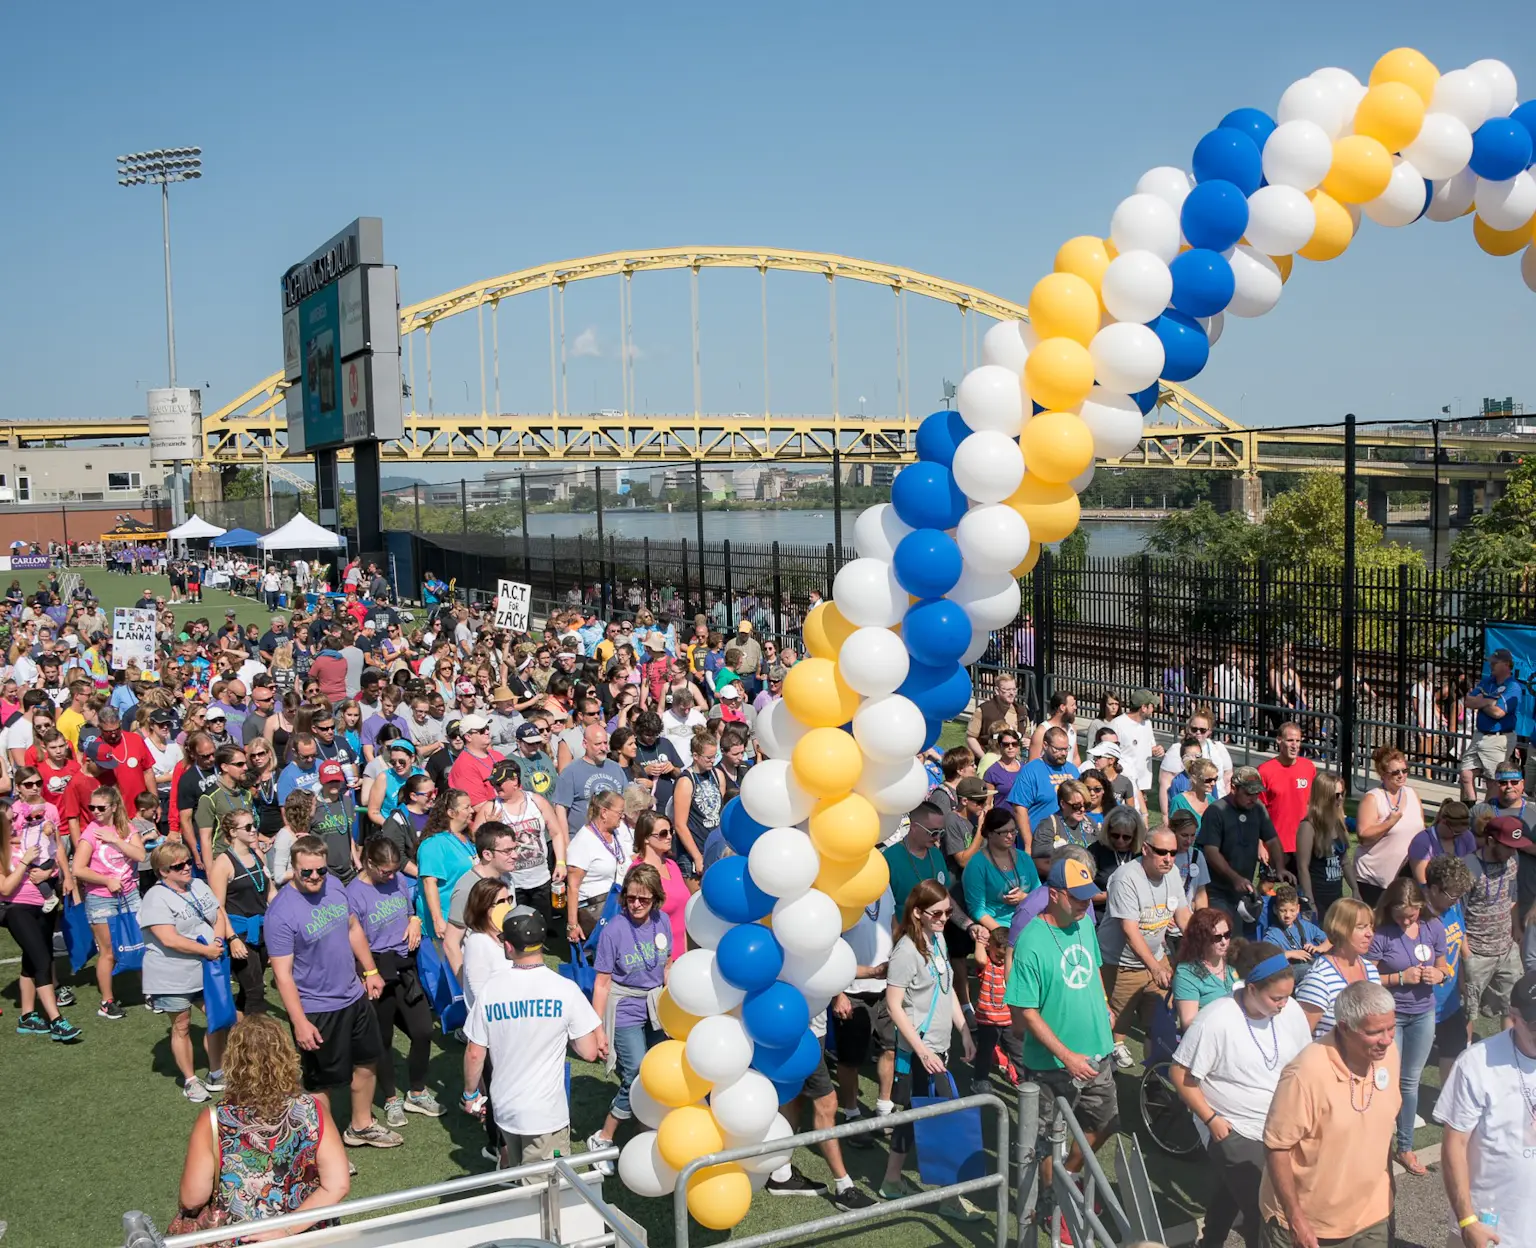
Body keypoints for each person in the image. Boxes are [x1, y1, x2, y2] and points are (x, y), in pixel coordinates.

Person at [264, 835, 403, 1149]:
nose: (315, 877)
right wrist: (299, 1022)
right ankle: (325, 1147)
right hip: (317, 1007)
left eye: (320, 871)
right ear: (294, 869)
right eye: (307, 872)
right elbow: (282, 975)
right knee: (320, 1084)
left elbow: (353, 928)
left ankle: (361, 1125)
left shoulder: (336, 886)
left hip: (354, 996)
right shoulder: (281, 913)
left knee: (368, 1061)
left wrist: (370, 970)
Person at [1170, 942, 1312, 1248]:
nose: (1283, 1004)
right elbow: (1180, 1075)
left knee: (1231, 1188)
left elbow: (1304, 1058)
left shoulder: (1290, 1009)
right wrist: (1212, 1120)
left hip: (1279, 1126)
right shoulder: (1216, 1019)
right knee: (1263, 1213)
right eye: (1276, 998)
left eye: (1288, 996)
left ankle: (1209, 1243)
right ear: (1251, 989)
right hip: (1235, 1129)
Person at [174, 1014, 350, 1238]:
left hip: (242, 1237)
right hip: (306, 1236)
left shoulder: (213, 1119)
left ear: (232, 1060)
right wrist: (286, 1229)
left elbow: (193, 1198)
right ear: (286, 1055)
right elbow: (338, 1185)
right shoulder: (312, 1109)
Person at [1006, 856, 1119, 1200]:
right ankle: (1050, 1199)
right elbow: (1026, 1012)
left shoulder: (1084, 923)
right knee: (1047, 1139)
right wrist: (1067, 1056)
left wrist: (1104, 1005)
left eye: (1088, 896)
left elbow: (1094, 968)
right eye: (1078, 897)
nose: (1086, 904)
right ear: (1054, 895)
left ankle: (1068, 1173)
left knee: (1105, 1121)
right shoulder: (1031, 942)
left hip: (1098, 1053)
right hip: (1052, 1066)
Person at [1259, 980, 1399, 1248]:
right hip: (1312, 1224)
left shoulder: (1389, 1055)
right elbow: (1277, 1148)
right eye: (1375, 1032)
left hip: (1372, 1214)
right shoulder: (1305, 1074)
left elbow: (1382, 1129)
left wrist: (1389, 1191)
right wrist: (1296, 1220)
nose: (1387, 1040)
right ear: (1345, 1028)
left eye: (1391, 1028)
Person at [463, 909, 606, 1169]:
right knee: (547, 1195)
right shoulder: (565, 990)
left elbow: (475, 1052)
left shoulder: (490, 990)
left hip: (505, 1111)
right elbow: (589, 1052)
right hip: (546, 1115)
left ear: (508, 946)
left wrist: (470, 1094)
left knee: (522, 1184)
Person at [878, 879, 981, 1222]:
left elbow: (946, 988)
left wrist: (963, 1029)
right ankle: (950, 1199)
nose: (944, 918)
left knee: (911, 1115)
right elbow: (893, 1005)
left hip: (937, 1049)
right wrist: (922, 1051)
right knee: (947, 1122)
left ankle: (892, 1180)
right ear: (918, 913)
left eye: (949, 912)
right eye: (937, 913)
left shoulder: (936, 939)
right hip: (923, 1053)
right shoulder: (906, 951)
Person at [346, 836, 442, 1129]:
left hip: (406, 965)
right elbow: (352, 938)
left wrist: (414, 921)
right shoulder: (353, 894)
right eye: (384, 872)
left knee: (423, 1031)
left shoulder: (398, 879)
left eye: (393, 870)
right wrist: (367, 972)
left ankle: (416, 1091)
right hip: (376, 967)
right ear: (369, 863)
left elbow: (410, 909)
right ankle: (390, 1099)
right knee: (383, 1038)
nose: (390, 876)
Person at [1435, 970, 1536, 1248]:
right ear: (1513, 1017)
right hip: (1494, 1230)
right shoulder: (1477, 1065)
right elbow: (1454, 1145)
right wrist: (1467, 1221)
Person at [585, 863, 672, 1173]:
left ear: (656, 900)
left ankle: (646, 1129)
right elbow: (602, 983)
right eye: (631, 897)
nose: (636, 904)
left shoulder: (662, 922)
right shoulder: (613, 931)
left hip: (656, 1007)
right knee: (635, 1073)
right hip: (625, 1008)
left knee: (658, 1071)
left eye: (643, 899)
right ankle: (603, 1138)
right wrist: (596, 1030)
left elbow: (667, 963)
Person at [1365, 876, 1451, 1176]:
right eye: (1400, 914)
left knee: (1410, 1082)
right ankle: (1375, 1147)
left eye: (1411, 914)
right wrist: (1400, 978)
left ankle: (1405, 1147)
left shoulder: (1433, 928)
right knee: (1384, 1081)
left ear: (1420, 907)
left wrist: (1439, 976)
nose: (1406, 920)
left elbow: (1445, 965)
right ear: (1389, 908)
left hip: (1423, 1014)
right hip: (1390, 1018)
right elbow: (1367, 977)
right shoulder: (1381, 934)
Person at [140, 842, 239, 1101]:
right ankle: (190, 1080)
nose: (187, 868)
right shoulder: (155, 897)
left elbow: (217, 914)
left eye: (187, 862)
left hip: (206, 968)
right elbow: (169, 939)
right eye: (178, 866)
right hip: (173, 974)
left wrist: (218, 941)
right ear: (163, 871)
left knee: (218, 1017)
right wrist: (205, 950)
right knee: (182, 1025)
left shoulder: (198, 885)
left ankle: (217, 1072)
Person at [1098, 823, 1192, 1068]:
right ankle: (1105, 1081)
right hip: (1120, 965)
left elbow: (1183, 915)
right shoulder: (1125, 879)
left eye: (1173, 853)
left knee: (1159, 1023)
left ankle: (1153, 1080)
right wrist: (1155, 968)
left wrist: (1204, 944)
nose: (1169, 859)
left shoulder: (1171, 874)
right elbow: (1129, 931)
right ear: (1146, 849)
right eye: (1162, 852)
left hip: (1155, 959)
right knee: (1114, 1026)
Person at [2, 792, 82, 1041]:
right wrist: (25, 863)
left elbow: (53, 862)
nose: (16, 820)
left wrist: (47, 874)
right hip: (15, 908)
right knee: (41, 958)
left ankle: (27, 1017)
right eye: (10, 818)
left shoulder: (24, 840)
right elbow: (4, 888)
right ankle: (56, 1020)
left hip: (43, 904)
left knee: (32, 957)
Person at [71, 783, 147, 1021]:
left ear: (114, 807)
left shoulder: (127, 829)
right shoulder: (89, 834)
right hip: (100, 898)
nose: (95, 811)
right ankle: (107, 1001)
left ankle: (150, 992)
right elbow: (78, 869)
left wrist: (114, 840)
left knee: (140, 944)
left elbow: (141, 855)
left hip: (130, 894)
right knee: (108, 952)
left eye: (101, 807)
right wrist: (106, 880)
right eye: (92, 807)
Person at [477, 758, 564, 928]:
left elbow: (556, 832)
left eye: (500, 782)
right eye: (494, 782)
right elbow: (478, 845)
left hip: (541, 879)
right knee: (514, 926)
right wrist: (490, 827)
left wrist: (560, 862)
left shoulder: (536, 802)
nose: (495, 786)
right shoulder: (490, 808)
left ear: (515, 781)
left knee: (542, 926)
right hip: (509, 882)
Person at [1197, 766, 1290, 923]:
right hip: (1217, 890)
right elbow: (1211, 851)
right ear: (1234, 788)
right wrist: (1235, 878)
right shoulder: (1217, 811)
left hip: (1244, 889)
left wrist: (1280, 867)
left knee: (1243, 939)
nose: (1253, 798)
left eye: (1256, 793)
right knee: (1222, 934)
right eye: (1248, 793)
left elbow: (1272, 840)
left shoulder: (1258, 809)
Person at [1460, 815, 1525, 1032]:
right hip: (1476, 952)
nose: (1512, 852)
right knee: (1469, 1009)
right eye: (1508, 847)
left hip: (1506, 949)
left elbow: (1512, 896)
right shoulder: (1468, 867)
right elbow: (1457, 914)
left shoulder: (1512, 862)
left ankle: (1509, 1050)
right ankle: (1465, 1051)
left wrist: (1515, 929)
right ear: (1490, 841)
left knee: (1512, 1005)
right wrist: (1466, 952)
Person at [208, 809, 274, 1017]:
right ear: (233, 832)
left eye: (254, 825)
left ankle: (235, 1028)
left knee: (248, 989)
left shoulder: (258, 854)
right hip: (240, 932)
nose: (254, 830)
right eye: (247, 827)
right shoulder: (223, 863)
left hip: (263, 929)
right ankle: (259, 1041)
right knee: (255, 991)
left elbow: (270, 891)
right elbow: (218, 907)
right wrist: (233, 938)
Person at [1295, 898, 1381, 1038]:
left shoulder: (1371, 970)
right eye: (1361, 927)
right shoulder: (1319, 978)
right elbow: (1300, 1038)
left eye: (1370, 926)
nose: (1369, 933)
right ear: (1340, 929)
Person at [1353, 745, 1425, 907]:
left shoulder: (1413, 794)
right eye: (1395, 772)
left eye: (1404, 771)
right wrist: (1389, 823)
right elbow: (1363, 836)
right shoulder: (1372, 798)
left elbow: (1422, 832)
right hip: (1374, 879)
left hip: (1406, 876)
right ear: (1383, 775)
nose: (1401, 775)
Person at [962, 806, 1041, 936]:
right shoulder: (977, 865)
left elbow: (1038, 894)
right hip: (997, 928)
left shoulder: (1024, 858)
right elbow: (977, 910)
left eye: (1013, 831)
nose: (1010, 836)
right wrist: (1004, 934)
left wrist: (1024, 897)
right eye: (1003, 832)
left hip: (1029, 924)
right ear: (990, 833)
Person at [565, 790, 632, 946]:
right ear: (604, 812)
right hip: (595, 912)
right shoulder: (582, 842)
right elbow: (572, 887)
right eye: (619, 813)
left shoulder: (616, 833)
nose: (622, 817)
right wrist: (572, 925)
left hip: (617, 905)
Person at [1472, 764, 1536, 915]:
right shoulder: (1480, 811)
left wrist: (1522, 845)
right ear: (1495, 784)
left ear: (1522, 783)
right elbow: (1464, 844)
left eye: (1514, 782)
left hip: (1528, 897)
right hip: (1487, 902)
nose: (1509, 787)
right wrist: (1494, 842)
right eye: (1503, 783)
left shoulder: (1534, 812)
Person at [416, 788, 477, 941]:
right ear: (451, 813)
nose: (472, 810)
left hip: (466, 917)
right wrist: (438, 921)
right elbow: (429, 883)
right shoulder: (434, 844)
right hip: (444, 924)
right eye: (466, 807)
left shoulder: (466, 838)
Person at [1460, 648, 1520, 803]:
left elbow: (1498, 713)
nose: (1491, 664)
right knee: (1466, 773)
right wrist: (1489, 701)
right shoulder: (1487, 681)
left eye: (1495, 662)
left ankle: (1486, 816)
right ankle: (1472, 811)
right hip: (1479, 735)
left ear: (1506, 664)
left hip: (1498, 738)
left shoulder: (1513, 687)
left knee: (1493, 781)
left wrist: (1480, 702)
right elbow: (1467, 701)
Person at [1008, 725, 1079, 850]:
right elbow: (1019, 809)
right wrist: (1028, 843)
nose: (1063, 753)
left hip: (1068, 841)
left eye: (1066, 749)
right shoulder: (1031, 770)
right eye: (1058, 749)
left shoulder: (1072, 770)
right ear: (1045, 745)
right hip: (1039, 842)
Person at [1256, 722, 1316, 870]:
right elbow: (1256, 811)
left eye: (1298, 741)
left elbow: (1314, 804)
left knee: (1304, 888)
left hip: (1304, 842)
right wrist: (1260, 844)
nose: (1294, 745)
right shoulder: (1264, 771)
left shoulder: (1309, 767)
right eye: (1290, 740)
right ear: (1279, 740)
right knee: (1266, 885)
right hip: (1275, 843)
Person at [671, 728, 726, 880]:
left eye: (714, 757)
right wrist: (697, 856)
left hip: (715, 845)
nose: (712, 761)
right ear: (695, 756)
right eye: (708, 758)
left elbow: (718, 809)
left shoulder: (718, 775)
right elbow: (680, 825)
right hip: (694, 850)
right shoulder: (686, 781)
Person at [1172, 907, 1240, 1030]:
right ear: (1201, 939)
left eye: (1227, 935)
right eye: (1217, 937)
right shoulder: (1187, 973)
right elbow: (1188, 1024)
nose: (1224, 942)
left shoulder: (1235, 961)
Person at [1294, 771, 1349, 920]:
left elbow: (1344, 861)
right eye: (1337, 795)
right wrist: (1310, 902)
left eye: (1342, 793)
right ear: (1325, 797)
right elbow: (1302, 868)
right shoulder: (1308, 827)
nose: (1341, 798)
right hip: (1317, 897)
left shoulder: (1338, 824)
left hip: (1336, 897)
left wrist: (1355, 889)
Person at [632, 809, 687, 955]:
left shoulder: (672, 866)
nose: (669, 837)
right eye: (663, 834)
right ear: (645, 838)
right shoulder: (639, 873)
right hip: (656, 954)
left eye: (671, 832)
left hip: (682, 949)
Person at [1107, 688, 1163, 800]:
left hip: (1142, 785)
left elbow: (1150, 746)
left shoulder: (1147, 723)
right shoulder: (1117, 724)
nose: (1153, 709)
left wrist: (1157, 750)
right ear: (1143, 707)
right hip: (1124, 784)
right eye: (1152, 706)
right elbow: (1109, 754)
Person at [1407, 798, 1476, 886]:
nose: (1459, 836)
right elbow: (1422, 883)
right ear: (1443, 821)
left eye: (1462, 832)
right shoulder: (1421, 842)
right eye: (1456, 832)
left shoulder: (1467, 836)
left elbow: (1472, 869)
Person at [1261, 885, 1329, 969]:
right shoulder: (1272, 934)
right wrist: (1290, 954)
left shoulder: (1306, 926)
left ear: (1298, 909)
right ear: (1275, 909)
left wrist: (1319, 948)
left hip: (1312, 967)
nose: (1288, 915)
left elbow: (1330, 941)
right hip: (1290, 972)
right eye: (1283, 910)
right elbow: (1266, 957)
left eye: (1292, 910)